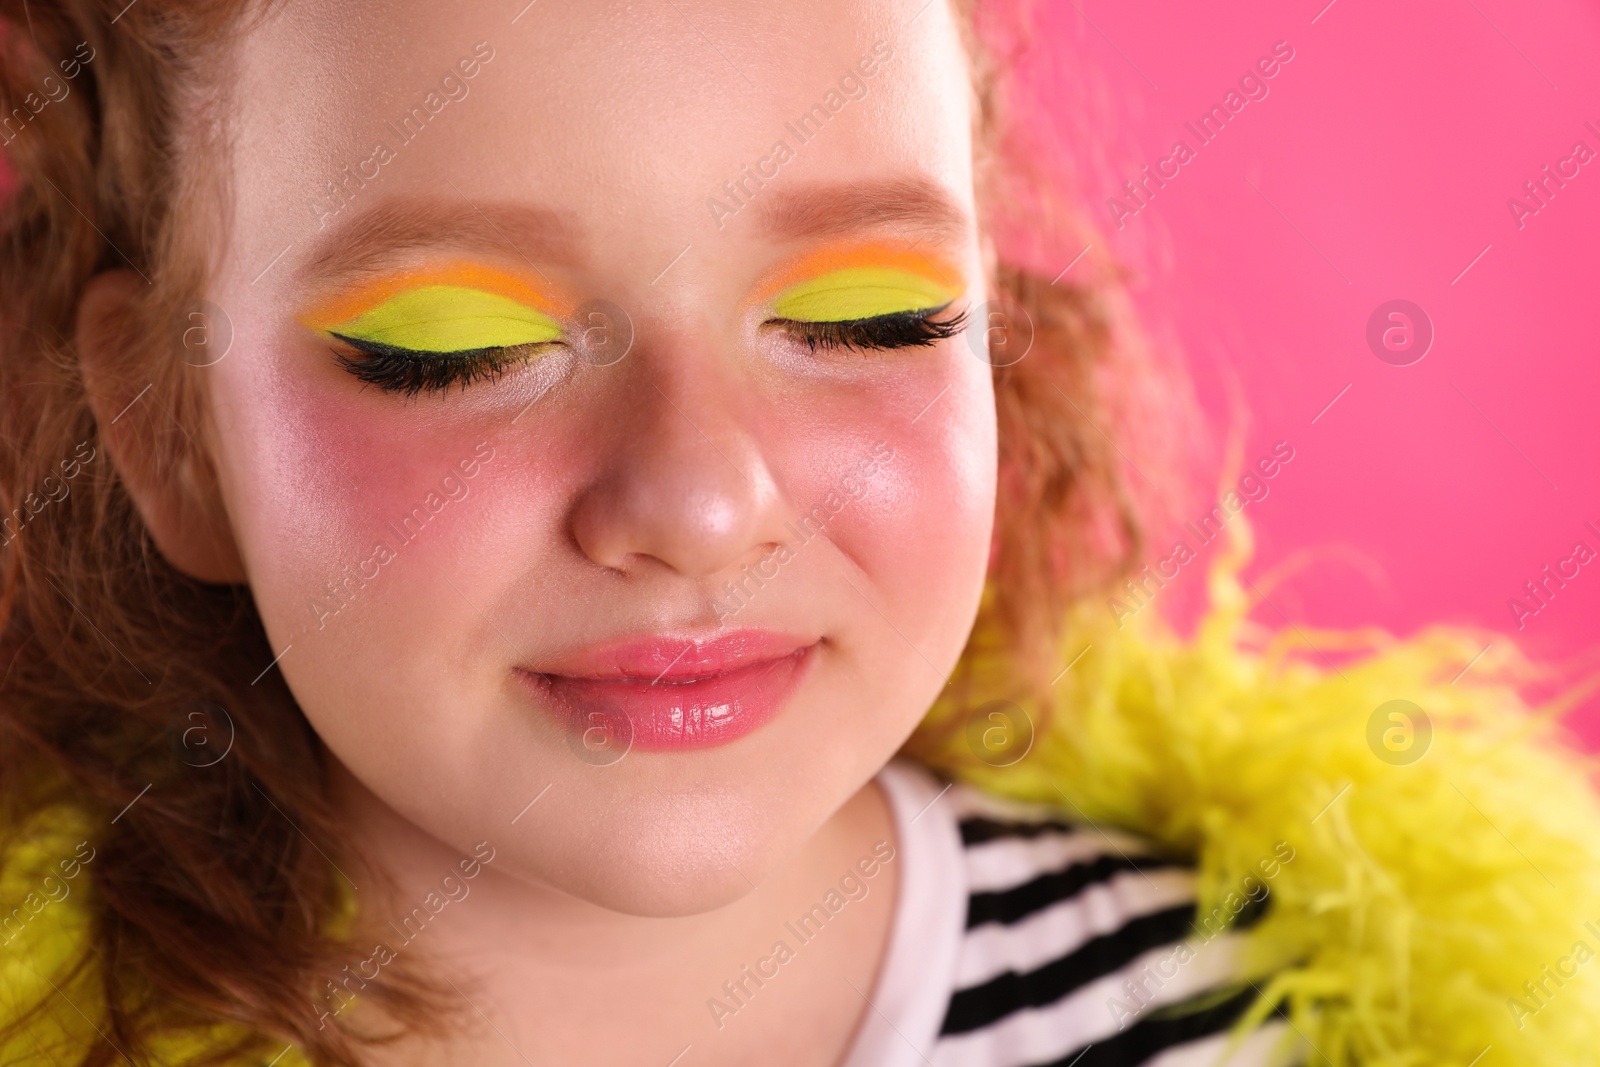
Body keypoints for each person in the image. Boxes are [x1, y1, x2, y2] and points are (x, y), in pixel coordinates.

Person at [2, 1, 1598, 1064]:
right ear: (169, 434)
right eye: (450, 347)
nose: (700, 502)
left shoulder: (1262, 1019)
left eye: (872, 316)